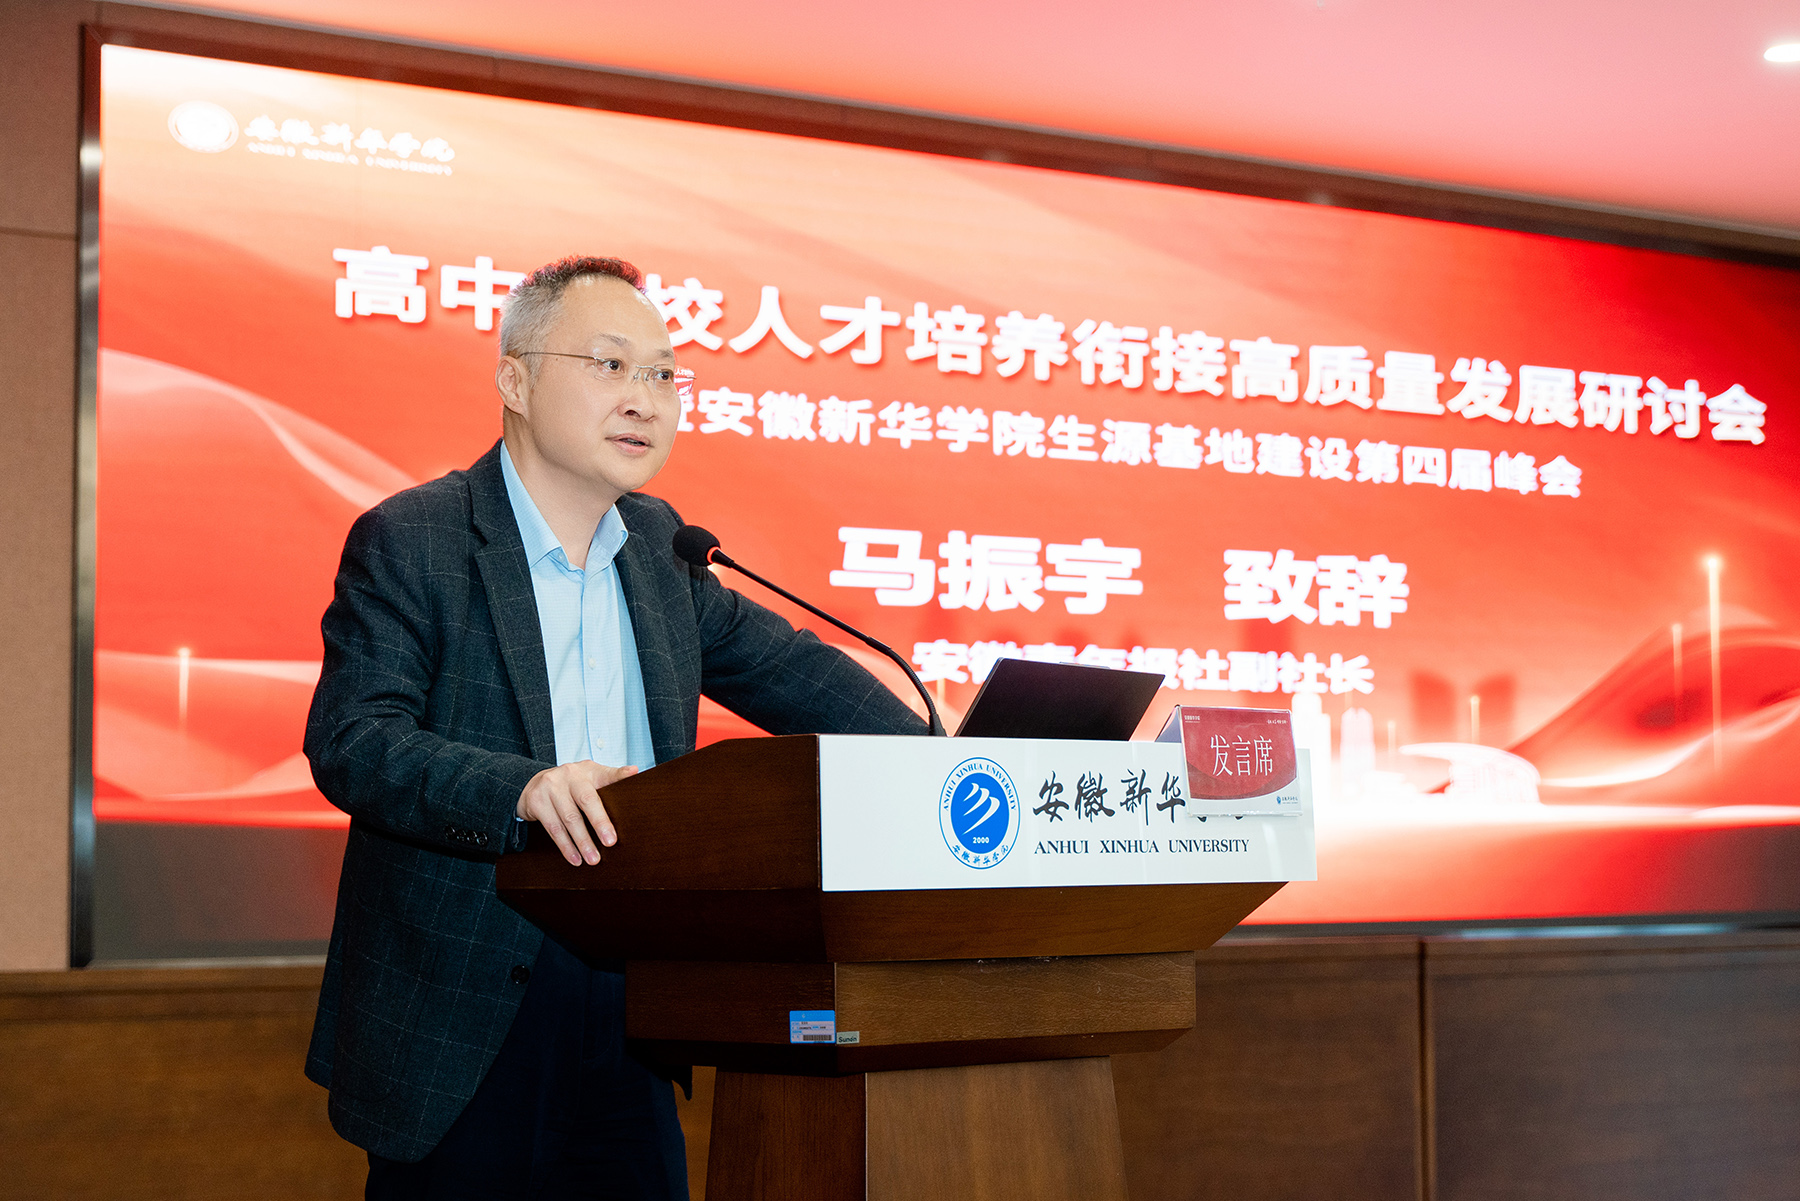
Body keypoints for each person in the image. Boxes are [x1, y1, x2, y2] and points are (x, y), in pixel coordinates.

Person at [302, 255, 927, 1199]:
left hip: (634, 996)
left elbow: (798, 673)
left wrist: (946, 756)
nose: (644, 398)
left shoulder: (663, 553)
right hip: (466, 1004)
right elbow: (355, 740)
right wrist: (522, 788)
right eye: (609, 365)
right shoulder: (416, 538)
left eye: (664, 374)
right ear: (515, 380)